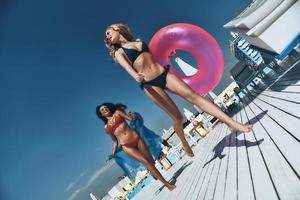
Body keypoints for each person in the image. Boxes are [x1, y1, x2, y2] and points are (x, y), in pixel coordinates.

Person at [103, 23, 252, 157]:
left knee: (195, 97)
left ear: (116, 29)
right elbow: (128, 68)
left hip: (164, 73)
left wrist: (168, 53)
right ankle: (184, 142)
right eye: (106, 38)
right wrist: (136, 76)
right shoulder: (119, 52)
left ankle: (231, 123)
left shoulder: (139, 41)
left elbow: (153, 57)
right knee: (178, 118)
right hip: (150, 85)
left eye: (108, 33)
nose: (108, 38)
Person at [96, 103, 176, 191]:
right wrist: (112, 154)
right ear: (101, 115)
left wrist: (132, 115)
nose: (104, 109)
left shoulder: (117, 113)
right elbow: (115, 141)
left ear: (109, 108)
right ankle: (167, 184)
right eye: (102, 110)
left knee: (151, 162)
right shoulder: (106, 127)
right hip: (126, 146)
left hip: (137, 139)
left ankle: (152, 172)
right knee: (146, 162)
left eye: (105, 107)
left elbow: (130, 119)